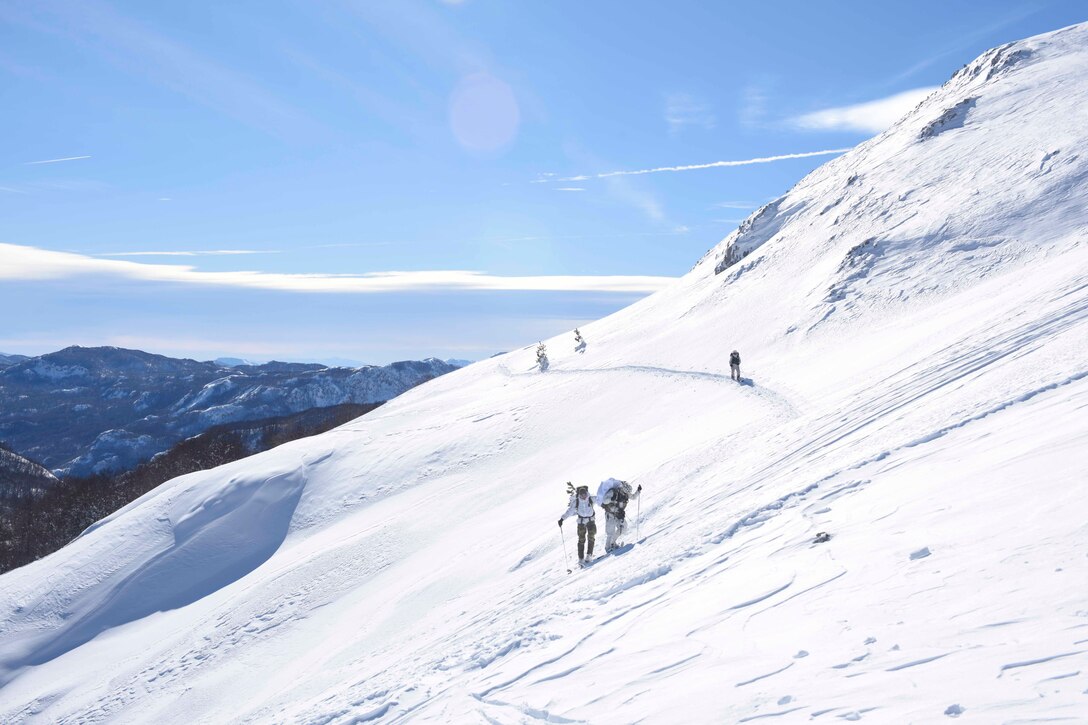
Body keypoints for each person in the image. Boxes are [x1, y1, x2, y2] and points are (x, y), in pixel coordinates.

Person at [597, 478, 641, 552]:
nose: (627, 492)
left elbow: (633, 497)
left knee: (623, 528)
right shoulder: (613, 492)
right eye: (626, 490)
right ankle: (608, 548)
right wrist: (612, 499)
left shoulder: (626, 494)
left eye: (628, 491)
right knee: (610, 532)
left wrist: (638, 491)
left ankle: (613, 543)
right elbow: (604, 501)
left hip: (619, 514)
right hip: (610, 514)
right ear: (623, 488)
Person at [559, 485, 596, 565]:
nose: (584, 496)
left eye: (585, 494)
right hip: (581, 522)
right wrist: (562, 519)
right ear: (579, 494)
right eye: (582, 494)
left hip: (591, 521)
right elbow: (569, 511)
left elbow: (601, 499)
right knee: (581, 540)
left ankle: (589, 555)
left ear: (586, 493)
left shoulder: (591, 499)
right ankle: (581, 558)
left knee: (591, 537)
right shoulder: (576, 502)